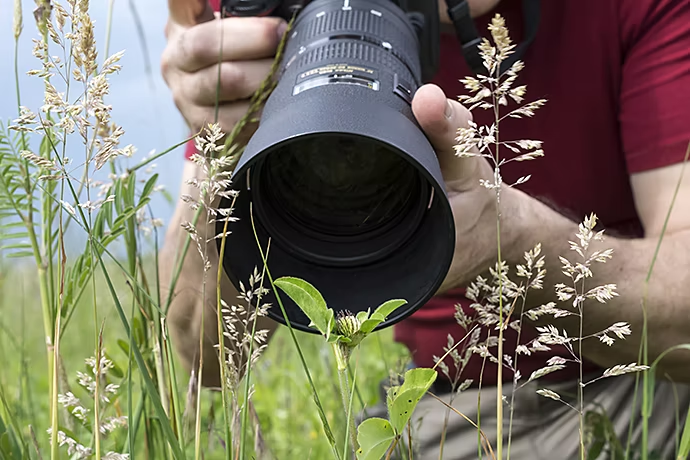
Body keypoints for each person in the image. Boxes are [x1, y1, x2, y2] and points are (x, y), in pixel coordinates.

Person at [159, 0, 690, 458]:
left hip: (639, 378)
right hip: (448, 403)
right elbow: (205, 356)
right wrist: (225, 147)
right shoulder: (267, 20)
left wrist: (513, 238)